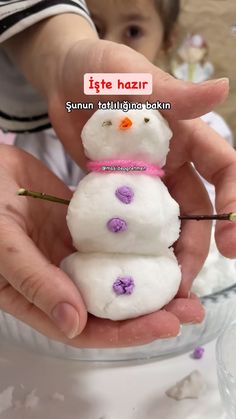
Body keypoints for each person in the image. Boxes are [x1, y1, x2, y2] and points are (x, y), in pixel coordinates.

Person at [0, 0, 235, 348]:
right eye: (94, 26)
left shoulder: (200, 131)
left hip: (156, 271)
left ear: (167, 40)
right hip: (77, 286)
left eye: (134, 30)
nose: (115, 43)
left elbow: (195, 219)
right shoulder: (45, 134)